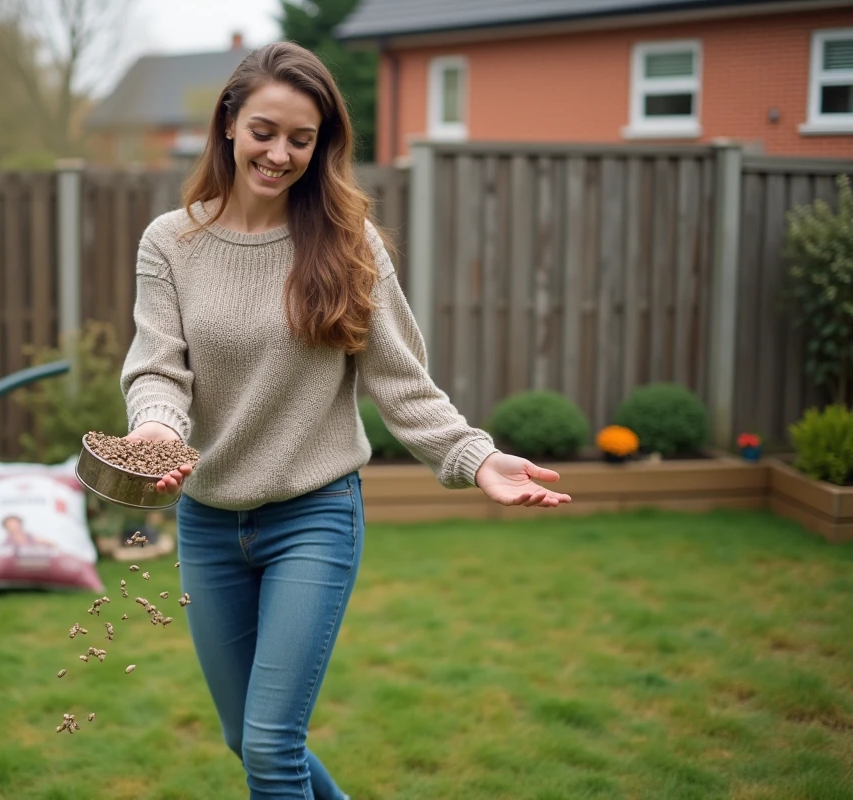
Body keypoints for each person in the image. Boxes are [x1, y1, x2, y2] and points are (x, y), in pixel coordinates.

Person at [118, 41, 571, 800]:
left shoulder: (345, 243)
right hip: (208, 521)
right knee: (245, 740)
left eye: (304, 139)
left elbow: (402, 383)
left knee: (270, 744)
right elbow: (158, 366)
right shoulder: (171, 242)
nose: (281, 153)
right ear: (229, 121)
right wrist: (159, 429)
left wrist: (475, 456)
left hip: (313, 517)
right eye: (266, 130)